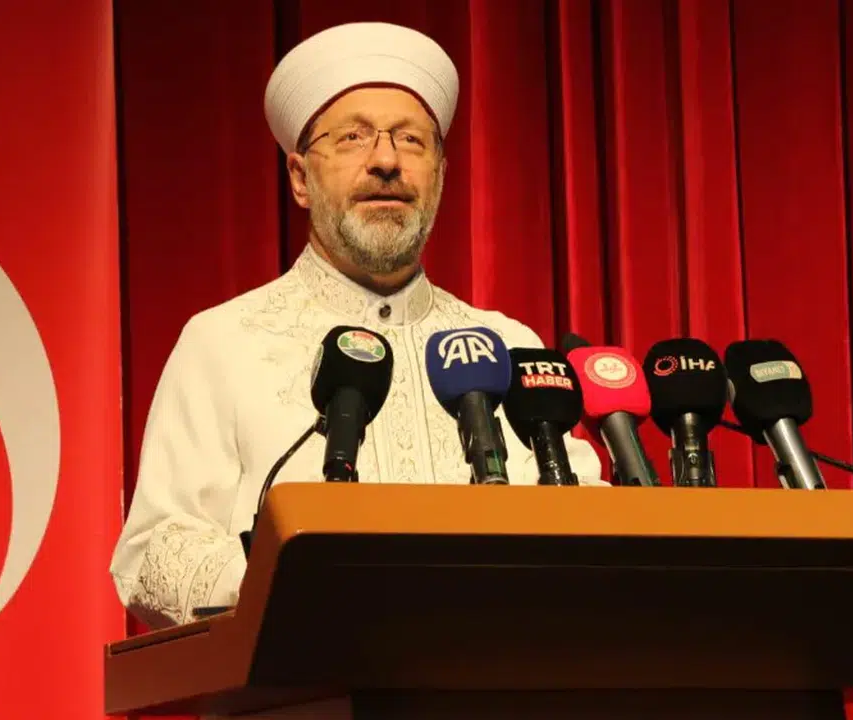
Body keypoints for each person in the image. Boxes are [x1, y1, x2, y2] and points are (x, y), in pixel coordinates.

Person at [109, 21, 605, 630]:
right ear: (300, 179)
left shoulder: (509, 345)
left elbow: (588, 521)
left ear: (440, 177)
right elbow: (153, 552)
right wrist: (297, 576)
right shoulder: (224, 341)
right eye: (353, 137)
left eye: (411, 140)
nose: (387, 161)